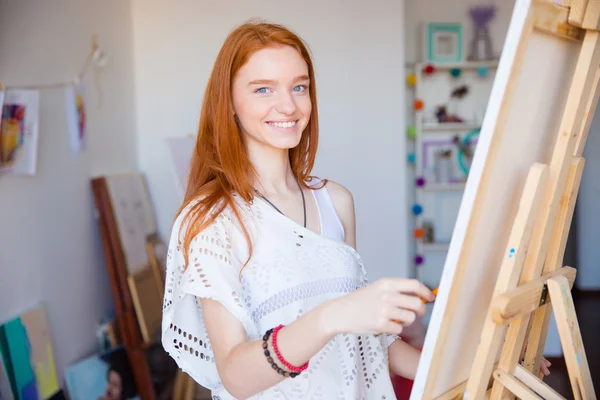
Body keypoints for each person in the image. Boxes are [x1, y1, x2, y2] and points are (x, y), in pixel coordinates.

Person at [161, 20, 547, 400]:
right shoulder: (210, 220)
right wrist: (332, 316)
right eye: (263, 89)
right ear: (228, 102)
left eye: (299, 87)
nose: (288, 105)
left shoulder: (336, 202)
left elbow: (366, 341)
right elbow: (235, 377)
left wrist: (482, 365)